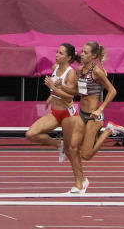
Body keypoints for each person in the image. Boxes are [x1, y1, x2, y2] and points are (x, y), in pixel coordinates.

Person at [25, 43, 88, 194]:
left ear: (68, 57)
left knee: (72, 150)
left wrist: (53, 87)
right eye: (57, 52)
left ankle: (81, 182)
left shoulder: (70, 73)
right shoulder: (55, 68)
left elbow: (70, 96)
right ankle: (58, 144)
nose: (57, 55)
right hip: (55, 112)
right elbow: (57, 90)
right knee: (31, 134)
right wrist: (50, 96)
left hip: (68, 114)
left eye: (60, 53)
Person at [76, 41, 124, 161]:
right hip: (81, 114)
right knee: (75, 148)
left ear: (93, 56)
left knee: (86, 155)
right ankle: (81, 179)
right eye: (82, 51)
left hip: (93, 116)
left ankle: (109, 130)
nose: (82, 54)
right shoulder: (79, 70)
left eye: (85, 52)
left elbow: (112, 91)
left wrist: (100, 109)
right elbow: (80, 93)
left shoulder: (96, 71)